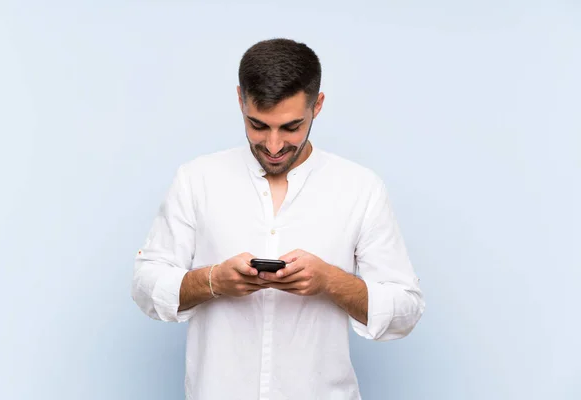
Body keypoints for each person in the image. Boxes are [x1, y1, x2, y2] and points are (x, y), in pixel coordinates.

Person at [131, 37, 425, 400]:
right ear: (240, 100)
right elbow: (145, 284)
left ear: (317, 105)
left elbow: (406, 309)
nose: (273, 146)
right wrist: (213, 280)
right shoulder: (197, 179)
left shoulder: (360, 188)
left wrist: (331, 281)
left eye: (290, 127)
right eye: (258, 125)